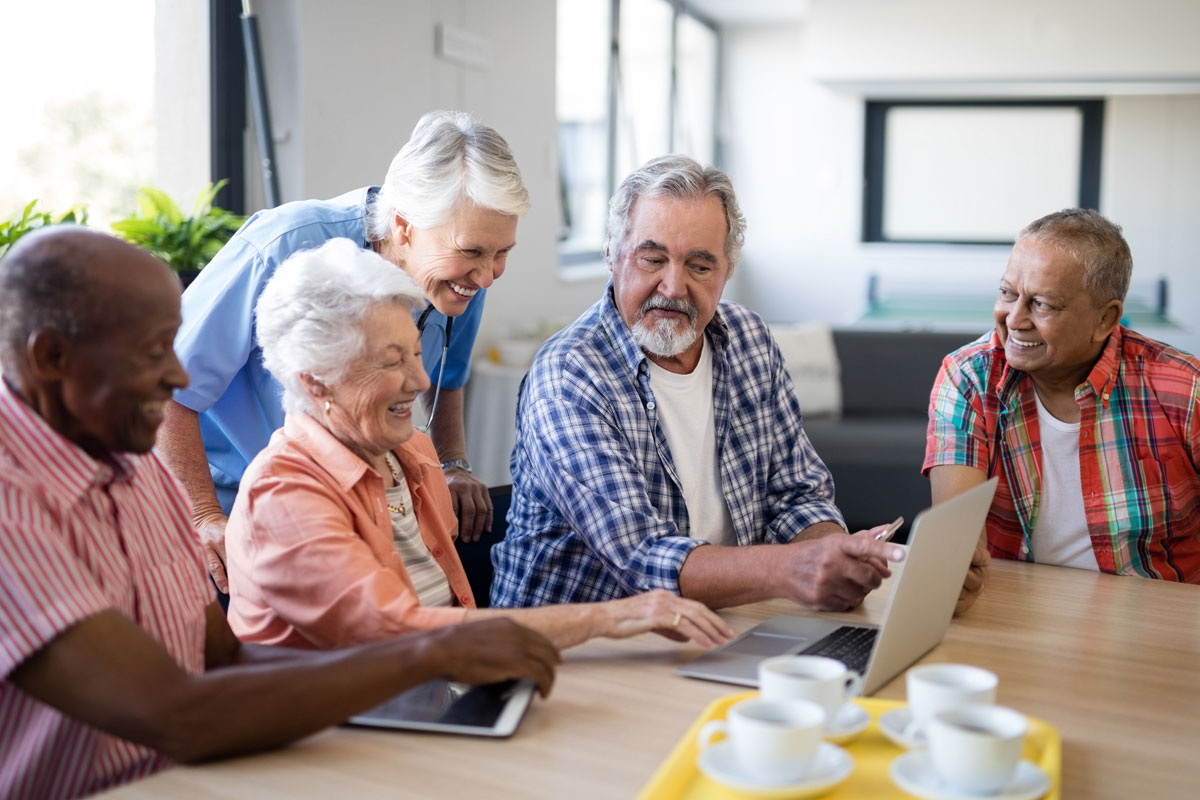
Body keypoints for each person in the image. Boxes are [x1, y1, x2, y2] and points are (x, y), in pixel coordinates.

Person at [0, 228, 558, 799]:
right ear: (52, 357)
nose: (179, 377)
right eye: (152, 351)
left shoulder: (133, 462)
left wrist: (422, 671)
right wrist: (427, 653)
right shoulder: (10, 508)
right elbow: (177, 715)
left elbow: (222, 657)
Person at [224, 239, 733, 651]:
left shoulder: (413, 455)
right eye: (390, 361)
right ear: (315, 381)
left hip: (435, 698)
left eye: (417, 354)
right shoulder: (283, 494)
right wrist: (610, 616)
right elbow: (398, 635)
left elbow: (451, 617)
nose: (420, 380)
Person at [490, 156, 905, 612]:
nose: (673, 287)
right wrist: (794, 568)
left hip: (716, 627)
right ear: (612, 253)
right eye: (653, 259)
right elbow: (643, 559)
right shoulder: (570, 375)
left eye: (700, 266)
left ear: (727, 270)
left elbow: (797, 494)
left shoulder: (750, 339)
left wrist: (836, 553)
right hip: (573, 654)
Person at [157, 110, 522, 596]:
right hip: (235, 501)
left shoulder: (457, 282)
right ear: (403, 226)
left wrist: (452, 465)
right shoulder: (283, 246)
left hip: (349, 505)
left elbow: (447, 378)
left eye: (502, 253)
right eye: (474, 252)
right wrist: (202, 516)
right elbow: (163, 385)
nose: (488, 275)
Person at [924, 208, 1200, 613]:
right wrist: (953, 570)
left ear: (1105, 318)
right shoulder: (968, 377)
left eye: (1042, 304)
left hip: (1159, 620)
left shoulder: (1185, 389)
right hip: (1011, 611)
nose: (1014, 319)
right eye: (1007, 293)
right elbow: (956, 539)